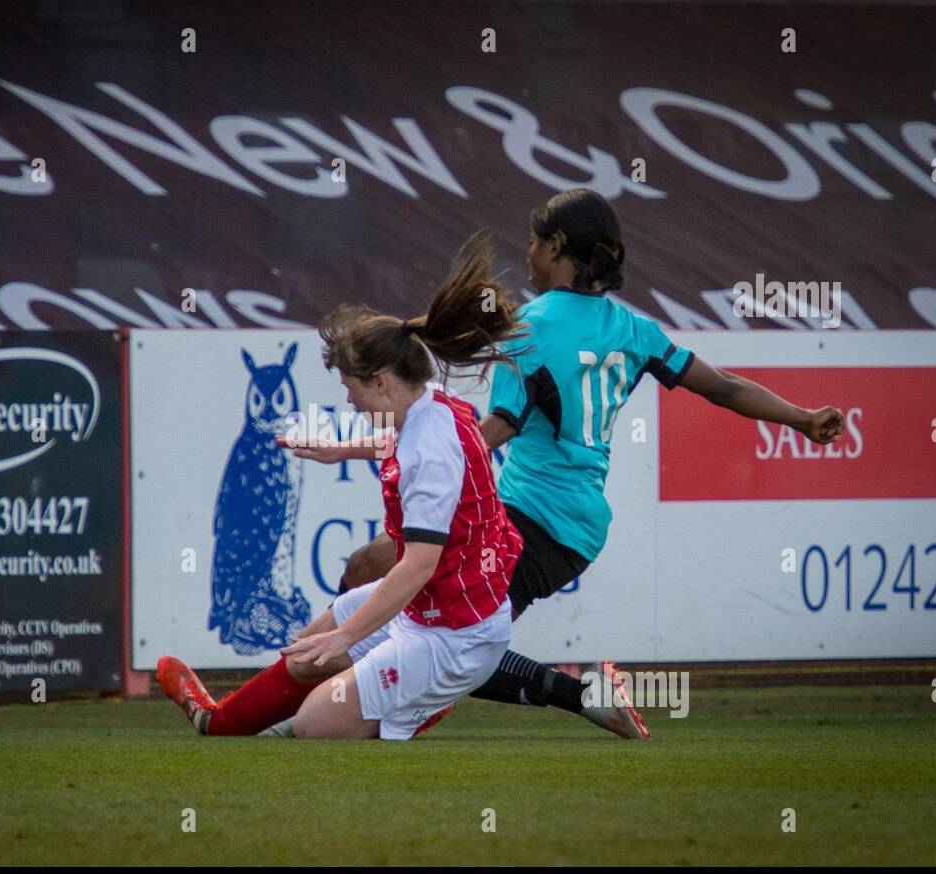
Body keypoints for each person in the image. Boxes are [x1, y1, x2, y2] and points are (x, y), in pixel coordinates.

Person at [323, 188, 847, 738]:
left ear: (554, 248)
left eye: (532, 241)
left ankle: (324, 693)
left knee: (438, 628)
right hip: (574, 529)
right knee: (421, 612)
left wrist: (371, 449)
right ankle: (351, 693)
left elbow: (491, 433)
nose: (526, 253)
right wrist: (802, 418)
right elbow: (722, 387)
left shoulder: (532, 327)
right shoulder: (633, 330)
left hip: (528, 517)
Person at [158, 236, 527, 740]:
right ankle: (217, 723)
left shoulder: (429, 448)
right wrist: (341, 449)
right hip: (438, 610)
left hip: (454, 637)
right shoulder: (431, 401)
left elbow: (418, 564)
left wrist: (349, 638)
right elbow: (400, 440)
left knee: (315, 724)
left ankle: (421, 705)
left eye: (350, 387)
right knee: (308, 647)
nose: (348, 400)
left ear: (380, 381)